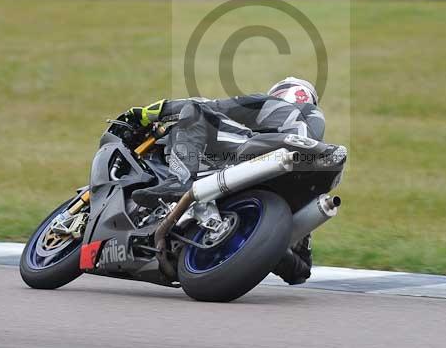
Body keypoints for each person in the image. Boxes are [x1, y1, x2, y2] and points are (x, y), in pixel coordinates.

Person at [122, 77, 335, 284]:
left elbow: (209, 105)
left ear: (282, 93)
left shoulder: (271, 103)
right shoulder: (311, 129)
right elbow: (300, 272)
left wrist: (148, 113)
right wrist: (267, 246)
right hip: (304, 171)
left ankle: (179, 179)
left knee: (195, 113)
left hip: (266, 150)